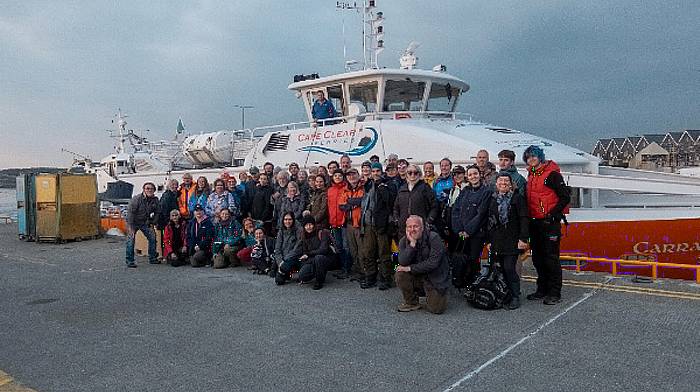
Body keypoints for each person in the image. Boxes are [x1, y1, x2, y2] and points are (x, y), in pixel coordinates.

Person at [524, 145, 570, 305]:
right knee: (537, 258)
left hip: (549, 223)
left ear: (540, 157)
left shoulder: (552, 175)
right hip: (535, 222)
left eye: (534, 156)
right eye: (529, 157)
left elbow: (565, 197)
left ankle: (555, 292)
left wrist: (552, 215)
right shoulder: (531, 174)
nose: (531, 159)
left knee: (551, 258)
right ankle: (541, 289)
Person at [485, 173, 529, 310]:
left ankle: (515, 295)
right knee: (499, 268)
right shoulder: (492, 199)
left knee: (510, 268)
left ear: (511, 184)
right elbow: (489, 221)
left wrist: (523, 239)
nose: (503, 183)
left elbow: (524, 219)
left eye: (506, 181)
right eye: (500, 180)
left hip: (512, 239)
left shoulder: (517, 198)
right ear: (496, 184)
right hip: (497, 240)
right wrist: (489, 240)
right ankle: (504, 294)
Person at [395, 215, 450, 314]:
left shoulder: (434, 238)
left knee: (436, 309)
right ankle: (411, 302)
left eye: (416, 226)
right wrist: (412, 244)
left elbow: (433, 263)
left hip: (435, 277)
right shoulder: (404, 240)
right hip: (419, 275)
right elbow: (402, 261)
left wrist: (410, 268)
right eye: (409, 227)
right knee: (400, 273)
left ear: (422, 227)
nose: (412, 229)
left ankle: (439, 294)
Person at [451, 165, 490, 286]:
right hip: (462, 232)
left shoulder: (486, 192)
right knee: (463, 256)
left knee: (474, 258)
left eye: (475, 174)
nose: (473, 176)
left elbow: (481, 214)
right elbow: (455, 210)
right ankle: (463, 280)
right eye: (471, 174)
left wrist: (468, 230)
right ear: (467, 177)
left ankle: (473, 282)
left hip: (476, 233)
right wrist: (459, 229)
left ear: (480, 175)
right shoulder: (465, 191)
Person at [359, 162, 395, 290]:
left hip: (381, 224)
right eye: (373, 171)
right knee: (368, 252)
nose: (375, 174)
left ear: (381, 171)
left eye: (377, 171)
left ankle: (386, 278)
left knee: (384, 253)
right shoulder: (368, 184)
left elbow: (389, 202)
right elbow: (365, 203)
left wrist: (382, 187)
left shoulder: (387, 184)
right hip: (368, 223)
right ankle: (371, 276)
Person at [392, 165, 438, 239]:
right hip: (403, 230)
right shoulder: (402, 189)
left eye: (415, 173)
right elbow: (395, 208)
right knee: (405, 250)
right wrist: (397, 221)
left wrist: (428, 221)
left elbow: (434, 206)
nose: (412, 175)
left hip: (420, 230)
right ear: (406, 175)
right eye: (410, 173)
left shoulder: (425, 188)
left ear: (419, 174)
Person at [293, 216, 335, 290]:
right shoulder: (303, 236)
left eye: (310, 224)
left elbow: (323, 250)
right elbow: (304, 252)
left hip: (326, 257)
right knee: (302, 275)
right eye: (306, 225)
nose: (308, 227)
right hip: (313, 258)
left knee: (318, 258)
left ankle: (319, 281)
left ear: (314, 225)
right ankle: (317, 272)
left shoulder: (322, 232)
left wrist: (308, 254)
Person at [339, 167, 365, 281]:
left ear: (358, 174)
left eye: (353, 174)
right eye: (349, 175)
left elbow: (363, 201)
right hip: (349, 224)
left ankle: (365, 273)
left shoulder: (363, 187)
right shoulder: (345, 189)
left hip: (359, 224)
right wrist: (354, 203)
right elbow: (341, 206)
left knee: (362, 250)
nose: (351, 177)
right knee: (353, 250)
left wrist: (351, 202)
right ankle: (359, 272)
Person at [125, 182, 160, 267]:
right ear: (143, 190)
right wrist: (130, 227)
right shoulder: (136, 199)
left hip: (144, 222)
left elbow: (158, 212)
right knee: (131, 240)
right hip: (133, 222)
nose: (149, 190)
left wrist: (153, 222)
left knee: (152, 237)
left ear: (154, 190)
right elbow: (130, 213)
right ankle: (130, 261)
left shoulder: (155, 200)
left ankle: (152, 258)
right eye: (147, 188)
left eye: (151, 189)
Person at [327, 170, 352, 279]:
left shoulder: (346, 188)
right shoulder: (330, 190)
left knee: (346, 246)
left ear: (343, 177)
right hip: (334, 222)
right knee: (339, 246)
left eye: (339, 175)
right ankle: (342, 267)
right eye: (335, 175)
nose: (337, 177)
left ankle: (347, 268)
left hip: (344, 222)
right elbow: (329, 207)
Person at [273, 212, 301, 283]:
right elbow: (277, 248)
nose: (287, 222)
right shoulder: (281, 230)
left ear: (293, 220)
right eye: (285, 219)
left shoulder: (298, 230)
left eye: (289, 219)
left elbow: (297, 249)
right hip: (282, 258)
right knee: (277, 279)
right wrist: (280, 262)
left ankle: (294, 273)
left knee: (280, 278)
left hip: (293, 257)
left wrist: (285, 260)